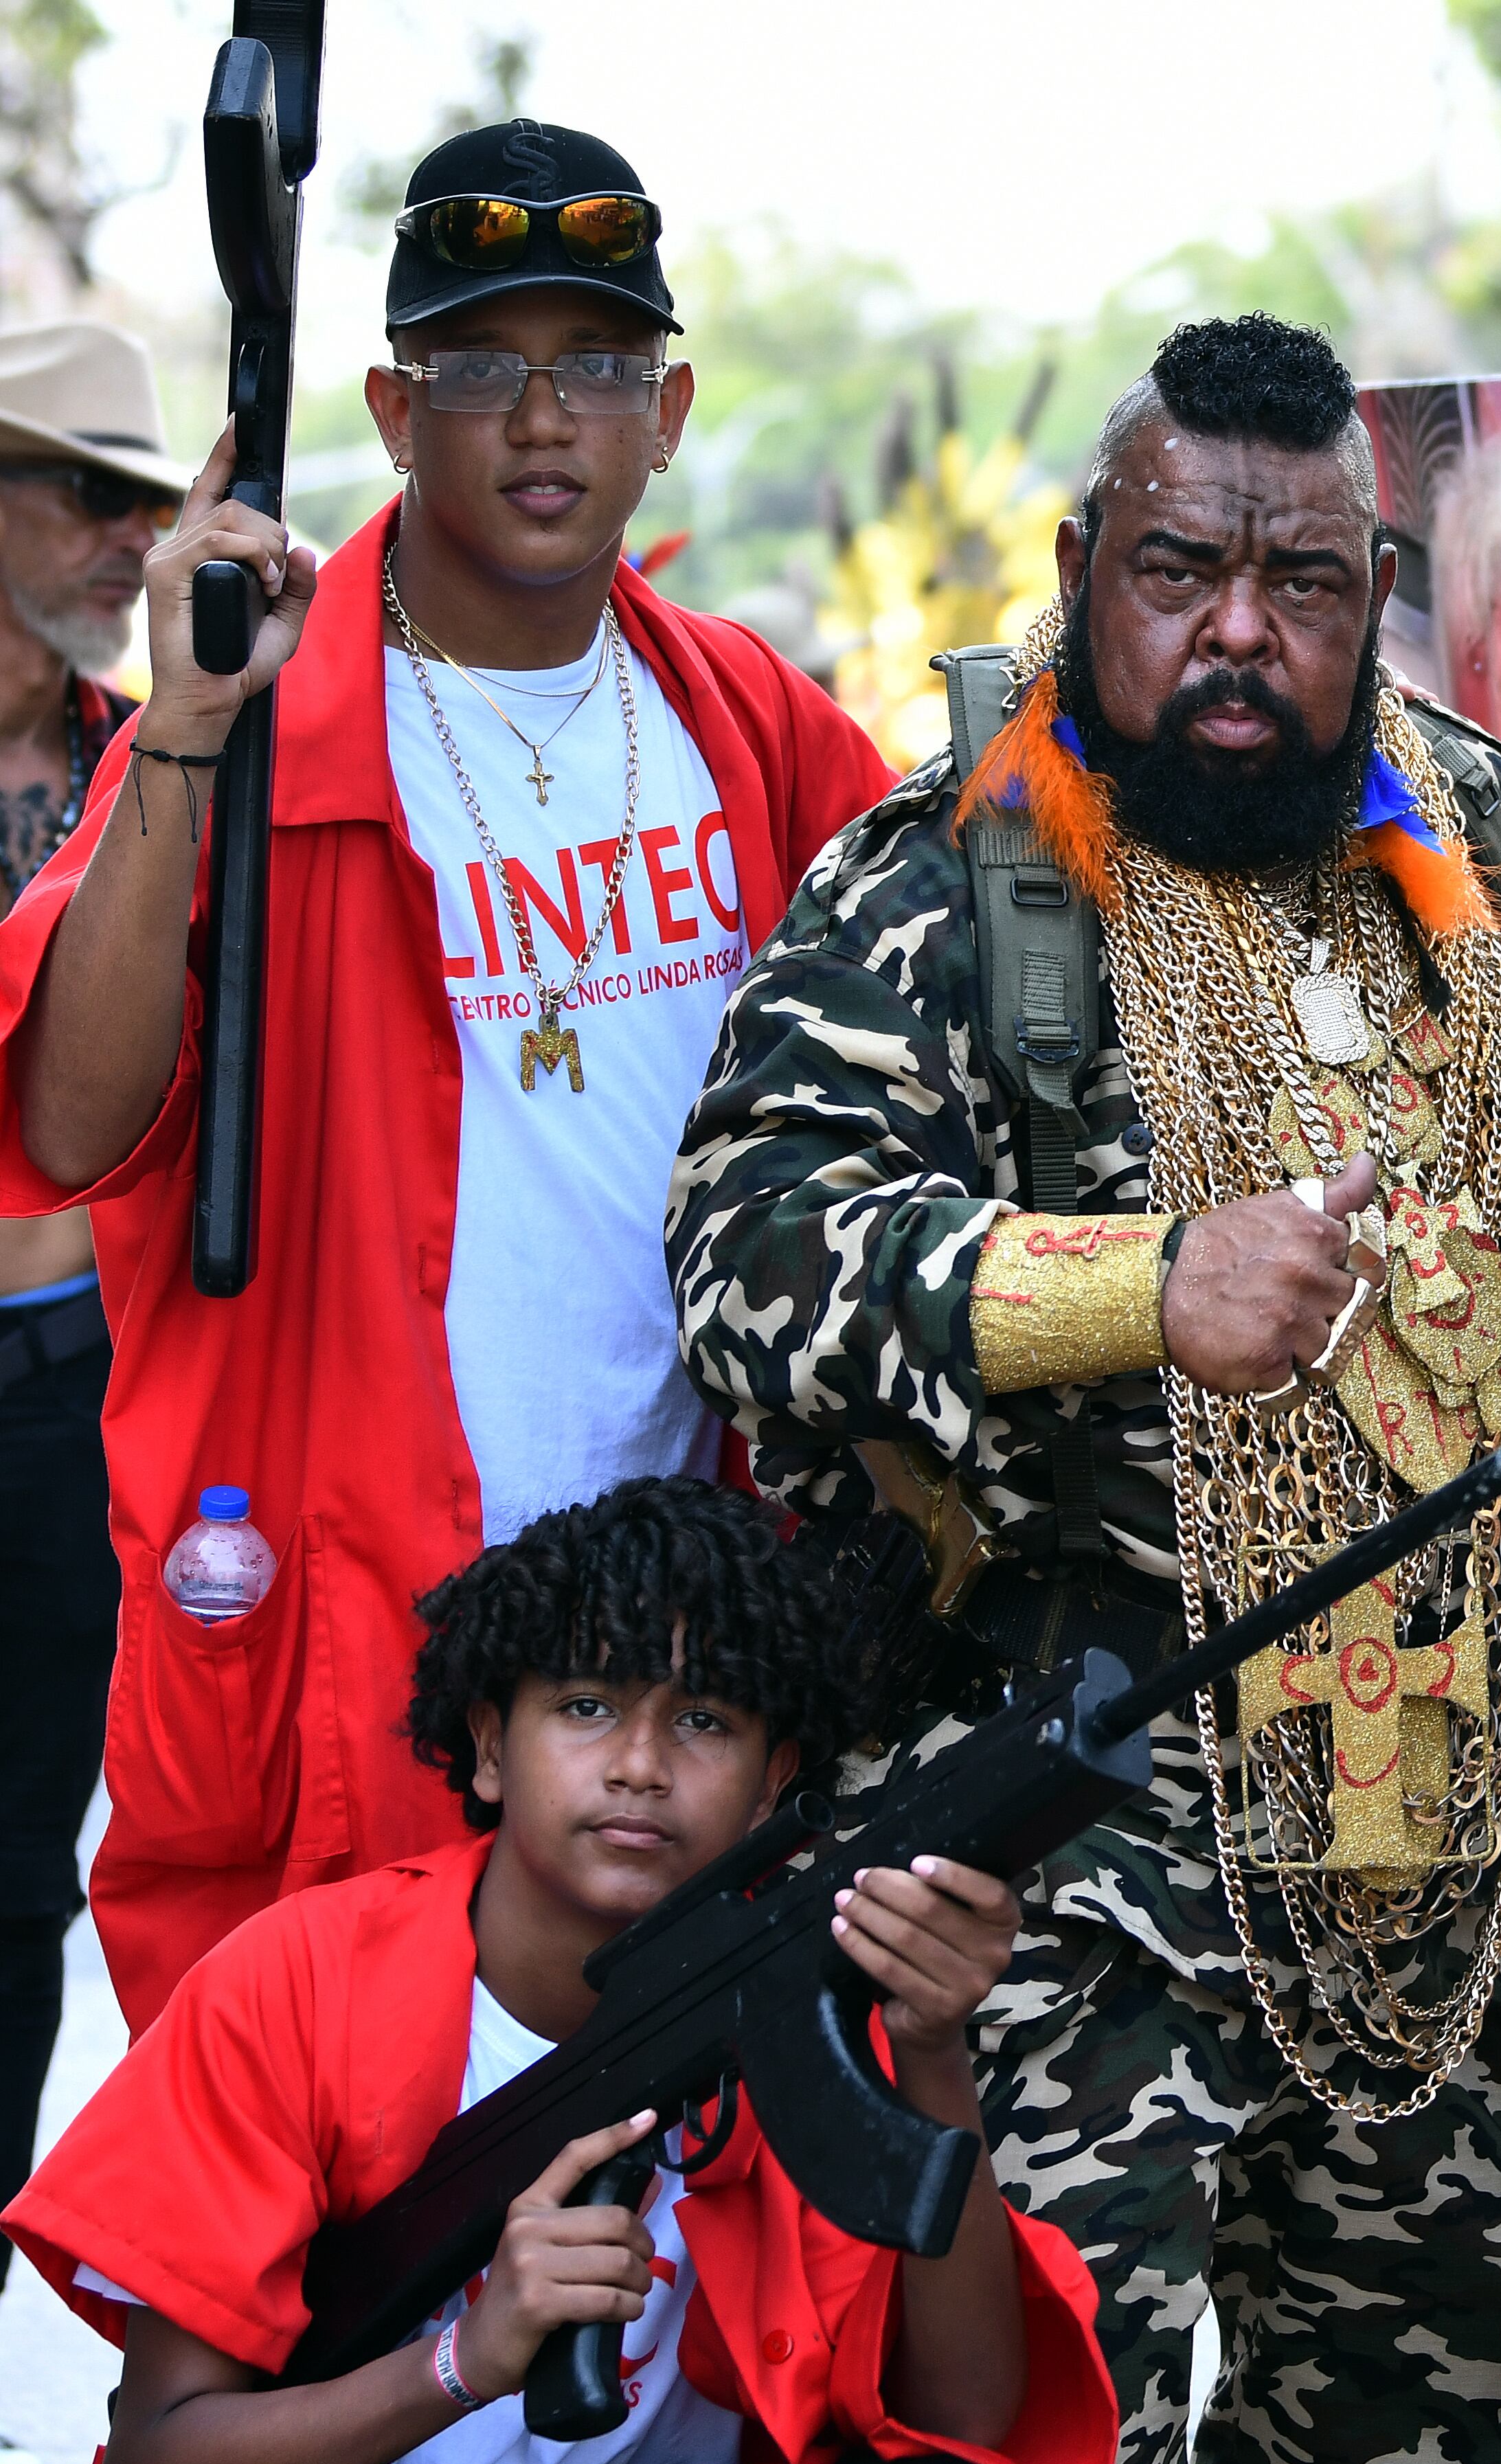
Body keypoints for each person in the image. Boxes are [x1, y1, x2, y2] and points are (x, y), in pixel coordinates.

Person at [666, 313, 1501, 2464]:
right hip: (1070, 1831)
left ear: (1369, 600)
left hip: (1412, 1819)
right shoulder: (954, 876)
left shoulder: (1460, 835)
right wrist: (1133, 1284)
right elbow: (750, 1255)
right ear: (1082, 559)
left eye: (1297, 583)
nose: (1233, 630)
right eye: (1178, 564)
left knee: (1452, 2419)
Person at [0, 120, 892, 2035]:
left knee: (653, 2278)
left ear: (669, 410)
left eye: (593, 368)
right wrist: (181, 730)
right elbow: (69, 1127)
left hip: (668, 1658)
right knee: (290, 2273)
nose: (541, 418)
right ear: (399, 409)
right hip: (335, 1652)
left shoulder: (752, 725)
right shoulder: (264, 716)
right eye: (485, 369)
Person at [2, 1476, 1119, 2464]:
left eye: (705, 1721)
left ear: (776, 1781)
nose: (639, 1765)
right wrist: (465, 2363)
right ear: (490, 1746)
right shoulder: (293, 1983)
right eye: (587, 1706)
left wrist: (930, 2047)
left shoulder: (805, 1996)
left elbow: (967, 2431)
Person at [0, 310, 189, 2464]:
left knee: (18, 1893)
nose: (129, 540)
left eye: (154, 499)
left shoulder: (160, 753)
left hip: (73, 1404)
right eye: (88, 491)